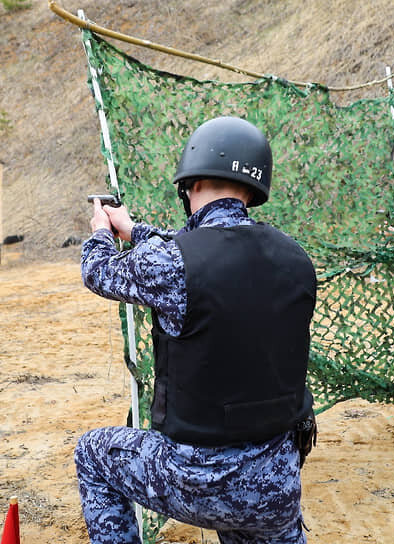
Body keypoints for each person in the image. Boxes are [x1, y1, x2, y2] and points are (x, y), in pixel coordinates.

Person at [76, 116, 318, 544]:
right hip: (278, 482)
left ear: (193, 182)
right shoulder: (296, 257)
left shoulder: (174, 264)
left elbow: (99, 272)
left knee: (93, 455)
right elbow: (210, 251)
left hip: (201, 481)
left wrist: (101, 233)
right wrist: (135, 231)